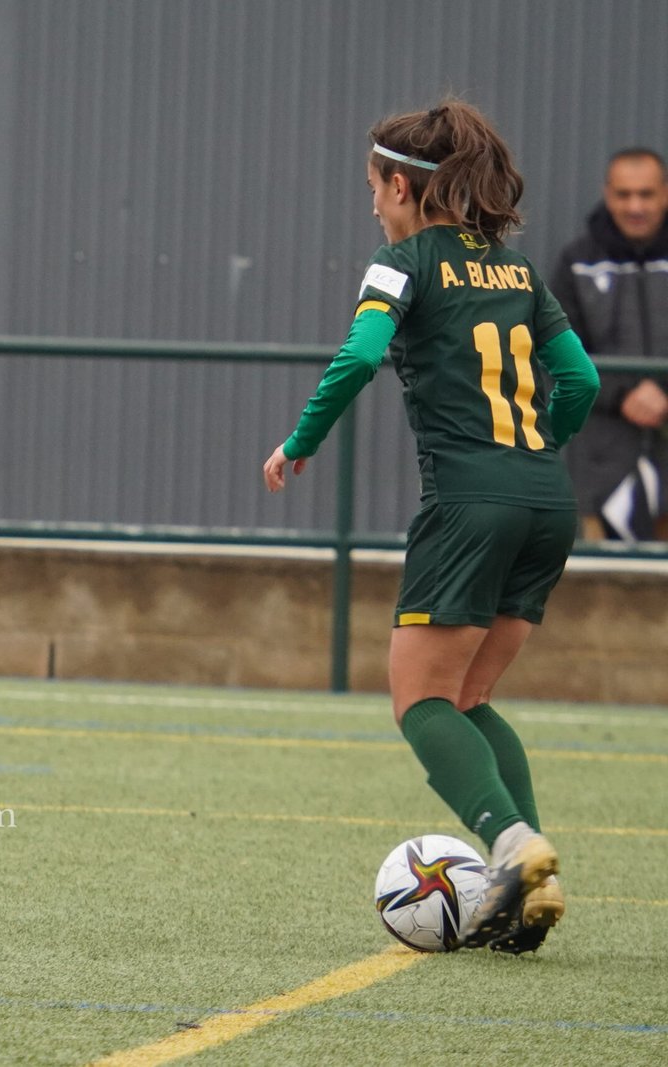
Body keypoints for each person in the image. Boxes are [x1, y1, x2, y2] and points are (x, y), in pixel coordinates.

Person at [261, 101, 600, 953]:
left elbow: (362, 355)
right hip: (546, 500)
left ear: (403, 185)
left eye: (375, 189)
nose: (372, 205)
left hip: (468, 503)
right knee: (472, 696)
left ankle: (515, 845)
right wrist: (533, 456)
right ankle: (532, 880)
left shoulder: (400, 262)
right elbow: (584, 382)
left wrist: (298, 443)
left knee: (419, 701)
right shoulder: (521, 273)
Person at [551, 148, 668, 541]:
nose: (635, 206)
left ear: (665, 193)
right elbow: (560, 351)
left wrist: (663, 393)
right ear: (607, 193)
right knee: (604, 593)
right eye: (624, 194)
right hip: (601, 472)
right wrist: (624, 396)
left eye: (646, 194)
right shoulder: (576, 262)